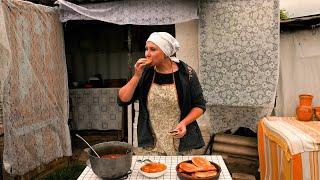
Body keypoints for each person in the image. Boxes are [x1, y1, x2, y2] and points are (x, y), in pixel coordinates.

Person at [118, 32, 206, 155]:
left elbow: (200, 105)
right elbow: (123, 99)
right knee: (152, 172)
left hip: (179, 141)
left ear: (165, 52)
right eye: (146, 49)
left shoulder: (187, 73)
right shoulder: (145, 73)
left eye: (153, 49)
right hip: (151, 144)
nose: (147, 53)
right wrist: (137, 75)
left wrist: (184, 123)